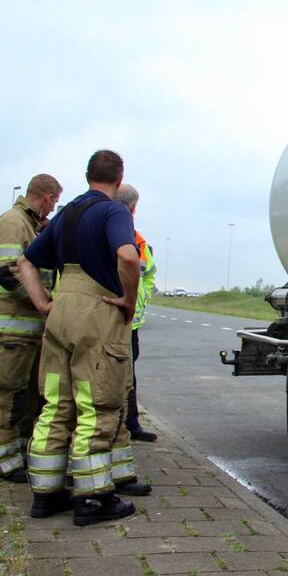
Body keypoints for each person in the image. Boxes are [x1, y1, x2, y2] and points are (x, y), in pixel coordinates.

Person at [18, 150, 152, 527]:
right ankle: (92, 499)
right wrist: (127, 299)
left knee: (56, 403)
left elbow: (26, 261)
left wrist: (43, 302)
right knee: (97, 405)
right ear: (118, 176)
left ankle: (45, 495)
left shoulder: (65, 214)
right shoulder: (112, 212)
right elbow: (127, 256)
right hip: (96, 316)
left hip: (61, 315)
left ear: (87, 174)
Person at [0, 174, 62, 482]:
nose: (53, 209)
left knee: (25, 395)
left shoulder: (31, 225)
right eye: (53, 202)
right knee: (7, 394)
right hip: (11, 328)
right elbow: (5, 272)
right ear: (45, 197)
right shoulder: (14, 222)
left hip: (24, 329)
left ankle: (14, 454)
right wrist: (42, 301)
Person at [113, 184, 157, 442]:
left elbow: (149, 275)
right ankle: (120, 425)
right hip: (112, 320)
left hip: (132, 323)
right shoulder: (118, 235)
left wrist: (141, 300)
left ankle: (130, 423)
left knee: (129, 375)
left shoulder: (139, 241)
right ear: (133, 208)